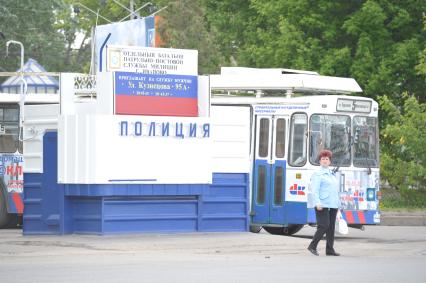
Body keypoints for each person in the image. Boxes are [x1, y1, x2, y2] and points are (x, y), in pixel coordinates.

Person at [307, 149, 341, 256]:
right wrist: (317, 203)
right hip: (322, 204)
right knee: (324, 225)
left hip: (333, 204)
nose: (325, 161)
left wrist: (338, 205)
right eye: (323, 159)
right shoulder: (318, 174)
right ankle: (312, 246)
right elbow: (314, 190)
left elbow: (335, 191)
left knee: (331, 227)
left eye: (327, 159)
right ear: (320, 161)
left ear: (330, 161)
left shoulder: (331, 174)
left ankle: (330, 249)